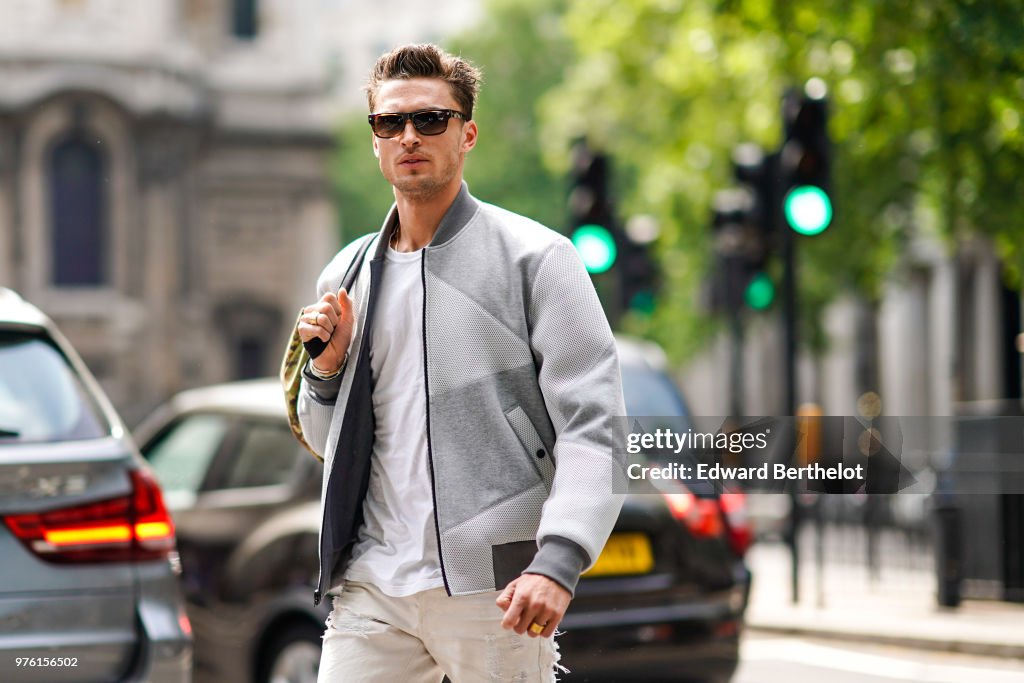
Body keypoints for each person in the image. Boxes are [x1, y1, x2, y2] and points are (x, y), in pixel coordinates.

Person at [296, 44, 625, 682]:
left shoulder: (538, 259)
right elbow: (321, 440)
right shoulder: (347, 273)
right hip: (372, 585)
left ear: (467, 132)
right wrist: (327, 373)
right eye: (389, 123)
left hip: (495, 585)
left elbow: (596, 425)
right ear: (374, 141)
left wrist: (558, 560)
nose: (409, 136)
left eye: (431, 119)